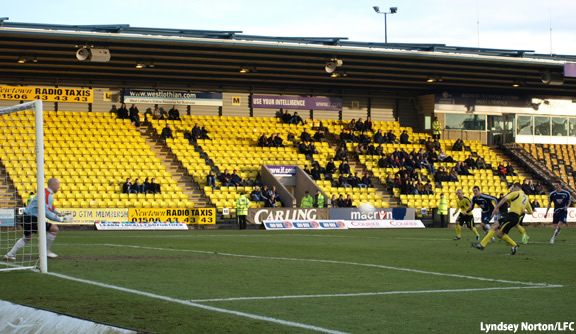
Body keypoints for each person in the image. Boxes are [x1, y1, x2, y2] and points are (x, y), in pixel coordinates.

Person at [4, 178, 68, 260]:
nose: (59, 187)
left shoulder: (45, 192)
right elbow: (47, 212)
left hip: (26, 216)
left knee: (28, 237)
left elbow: (50, 207)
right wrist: (61, 220)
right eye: (58, 185)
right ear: (53, 185)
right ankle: (45, 251)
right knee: (54, 228)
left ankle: (9, 255)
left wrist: (59, 213)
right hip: (31, 218)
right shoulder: (48, 195)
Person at [472, 183, 531, 255]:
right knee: (494, 226)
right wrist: (522, 210)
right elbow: (530, 212)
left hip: (512, 216)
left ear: (516, 187)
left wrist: (496, 208)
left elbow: (505, 199)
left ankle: (514, 245)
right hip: (512, 216)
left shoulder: (516, 193)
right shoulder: (526, 198)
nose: (512, 189)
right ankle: (482, 245)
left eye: (513, 188)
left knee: (499, 234)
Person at [545, 180, 572, 244]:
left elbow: (569, 201)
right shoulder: (552, 194)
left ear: (560, 186)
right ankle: (556, 233)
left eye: (557, 185)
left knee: (559, 226)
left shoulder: (566, 193)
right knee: (555, 228)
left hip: (563, 211)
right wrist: (546, 212)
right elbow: (549, 203)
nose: (556, 187)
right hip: (556, 212)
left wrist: (567, 207)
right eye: (555, 186)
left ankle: (552, 239)